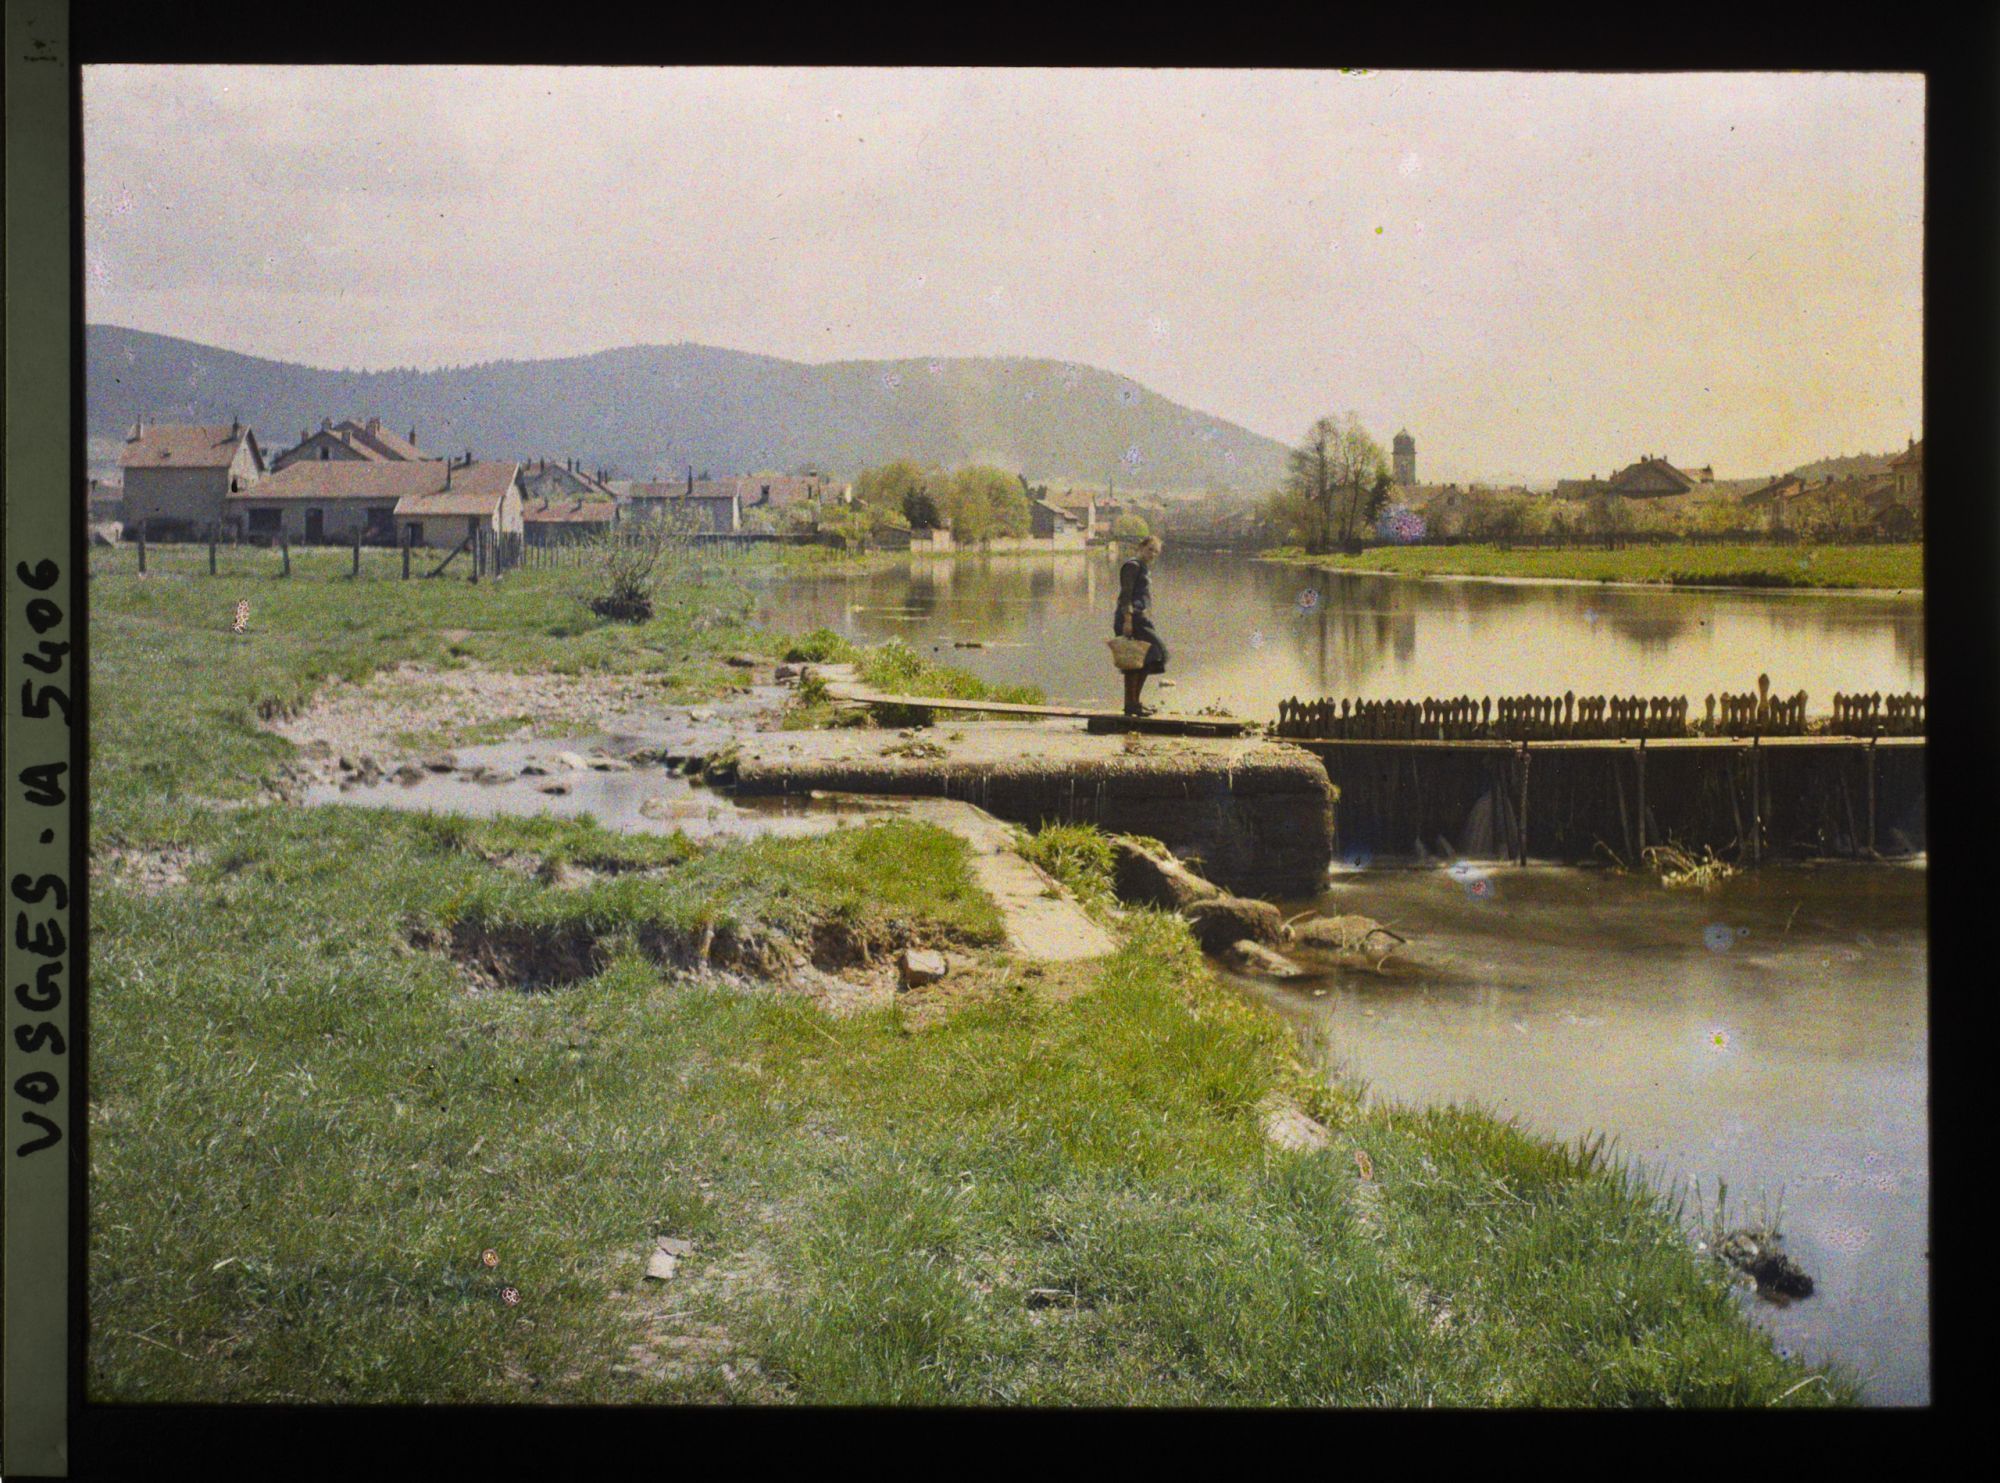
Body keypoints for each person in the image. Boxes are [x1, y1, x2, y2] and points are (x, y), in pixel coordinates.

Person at [1114, 535, 1168, 716]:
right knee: (1140, 659)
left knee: (1145, 659)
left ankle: (1134, 703)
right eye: (1150, 549)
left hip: (1141, 619)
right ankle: (1132, 705)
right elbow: (1126, 595)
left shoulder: (1143, 567)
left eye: (1156, 552)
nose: (1153, 554)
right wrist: (1127, 620)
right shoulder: (1132, 566)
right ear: (1141, 547)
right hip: (1131, 619)